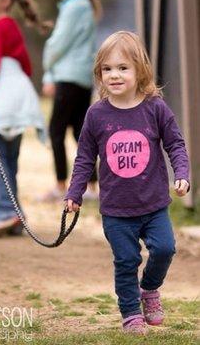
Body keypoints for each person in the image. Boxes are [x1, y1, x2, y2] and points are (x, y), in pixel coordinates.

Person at [65, 31, 190, 334]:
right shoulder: (96, 115)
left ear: (140, 71)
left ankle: (149, 289)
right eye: (107, 69)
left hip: (154, 204)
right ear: (99, 74)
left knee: (165, 249)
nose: (115, 75)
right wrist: (75, 192)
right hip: (116, 210)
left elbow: (175, 143)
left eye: (123, 68)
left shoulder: (155, 108)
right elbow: (84, 158)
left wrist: (182, 173)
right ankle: (131, 313)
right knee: (126, 260)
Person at [0, 0, 48, 238]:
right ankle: (16, 214)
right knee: (9, 159)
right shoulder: (12, 25)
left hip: (2, 102)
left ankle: (4, 212)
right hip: (19, 100)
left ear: (5, 0)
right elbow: (27, 66)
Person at [39, 0, 102, 203]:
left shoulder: (74, 7)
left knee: (56, 131)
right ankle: (92, 186)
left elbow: (57, 44)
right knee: (80, 132)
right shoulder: (83, 5)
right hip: (81, 77)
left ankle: (60, 184)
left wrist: (47, 68)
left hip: (68, 76)